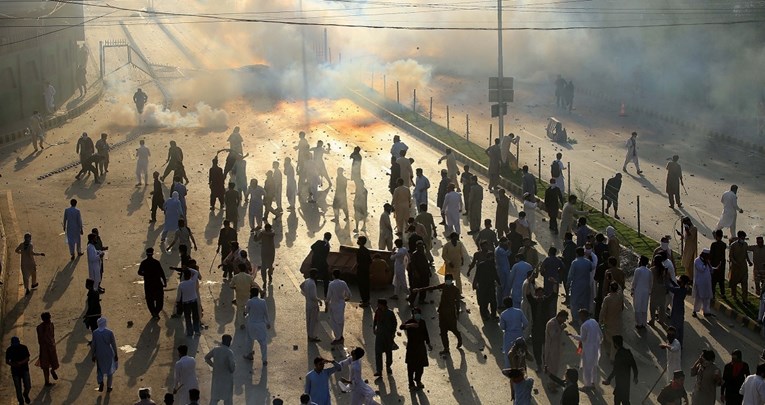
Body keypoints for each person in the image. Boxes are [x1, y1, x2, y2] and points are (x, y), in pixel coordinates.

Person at [411, 273, 462, 356]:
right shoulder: (444, 286)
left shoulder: (456, 290)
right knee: (443, 332)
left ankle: (459, 337)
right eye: (446, 280)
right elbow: (432, 287)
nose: (447, 281)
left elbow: (458, 303)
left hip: (450, 314)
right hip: (442, 313)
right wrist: (419, 289)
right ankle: (446, 349)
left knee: (453, 329)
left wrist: (458, 313)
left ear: (452, 280)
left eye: (449, 280)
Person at [400, 308, 432, 390]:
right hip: (411, 348)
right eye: (414, 313)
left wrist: (428, 343)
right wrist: (410, 325)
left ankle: (418, 380)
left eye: (417, 313)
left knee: (420, 367)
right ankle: (411, 384)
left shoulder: (422, 322)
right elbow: (401, 327)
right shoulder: (410, 321)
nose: (416, 315)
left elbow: (426, 333)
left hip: (421, 347)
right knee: (410, 367)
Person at [571, 309, 602, 390]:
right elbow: (600, 334)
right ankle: (593, 383)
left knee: (586, 367)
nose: (580, 318)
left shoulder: (584, 326)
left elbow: (582, 338)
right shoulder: (594, 321)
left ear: (583, 316)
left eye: (580, 316)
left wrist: (572, 335)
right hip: (595, 348)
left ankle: (587, 385)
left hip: (588, 349)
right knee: (594, 366)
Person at [603, 335, 638, 403]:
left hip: (620, 381)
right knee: (625, 400)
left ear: (615, 344)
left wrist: (609, 379)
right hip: (626, 381)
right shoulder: (628, 352)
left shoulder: (618, 355)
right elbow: (634, 365)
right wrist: (635, 376)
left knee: (618, 400)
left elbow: (615, 370)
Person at [205, 335, 236, 405]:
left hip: (217, 378)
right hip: (226, 380)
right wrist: (232, 369)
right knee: (228, 400)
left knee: (214, 399)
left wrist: (213, 365)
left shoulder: (216, 349)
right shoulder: (229, 352)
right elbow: (232, 367)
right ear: (229, 342)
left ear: (222, 341)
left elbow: (207, 358)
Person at [497, 297, 528, 368]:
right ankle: (521, 368)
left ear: (505, 305)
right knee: (520, 352)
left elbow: (502, 327)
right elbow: (526, 323)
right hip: (519, 335)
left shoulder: (503, 314)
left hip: (509, 336)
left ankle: (510, 369)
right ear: (512, 302)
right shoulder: (519, 312)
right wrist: (521, 329)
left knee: (508, 354)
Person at [244, 287, 270, 366]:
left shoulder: (250, 301)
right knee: (263, 343)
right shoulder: (263, 302)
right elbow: (266, 313)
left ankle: (249, 354)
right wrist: (268, 323)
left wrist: (244, 312)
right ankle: (264, 360)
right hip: (261, 325)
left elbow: (246, 311)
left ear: (251, 294)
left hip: (251, 324)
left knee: (249, 340)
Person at [137, 248, 166, 319]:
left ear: (146, 254)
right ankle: (156, 312)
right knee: (159, 299)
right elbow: (162, 273)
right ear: (153, 253)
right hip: (157, 283)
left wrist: (146, 274)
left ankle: (153, 313)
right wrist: (164, 282)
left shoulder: (144, 263)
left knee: (150, 299)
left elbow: (139, 272)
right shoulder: (156, 262)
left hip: (148, 284)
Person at [568, 247, 594, 324]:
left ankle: (575, 319)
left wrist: (568, 282)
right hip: (586, 284)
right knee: (585, 302)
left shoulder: (574, 263)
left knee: (574, 302)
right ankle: (584, 319)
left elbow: (571, 275)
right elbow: (591, 268)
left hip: (576, 285)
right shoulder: (588, 262)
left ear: (576, 254)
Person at [91, 317, 117, 392]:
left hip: (99, 354)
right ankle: (109, 387)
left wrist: (93, 355)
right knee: (110, 370)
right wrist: (116, 354)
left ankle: (101, 382)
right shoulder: (109, 332)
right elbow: (113, 344)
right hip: (109, 353)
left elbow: (93, 345)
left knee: (100, 369)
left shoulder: (95, 333)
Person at [599, 282, 624, 362]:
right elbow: (620, 289)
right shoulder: (620, 296)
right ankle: (613, 357)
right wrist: (613, 279)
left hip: (607, 322)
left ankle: (609, 354)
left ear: (610, 289)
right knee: (615, 340)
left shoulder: (607, 299)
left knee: (606, 338)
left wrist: (600, 322)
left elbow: (603, 312)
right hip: (618, 322)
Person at [544, 311, 568, 390]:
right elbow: (553, 335)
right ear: (560, 316)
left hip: (557, 348)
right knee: (551, 367)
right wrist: (561, 328)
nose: (564, 321)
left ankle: (554, 382)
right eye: (564, 318)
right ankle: (550, 384)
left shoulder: (557, 323)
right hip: (551, 349)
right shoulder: (552, 323)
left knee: (556, 366)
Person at [373, 299, 397, 377]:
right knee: (378, 353)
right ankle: (379, 370)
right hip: (379, 335)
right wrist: (374, 328)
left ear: (382, 305)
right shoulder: (377, 311)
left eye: (378, 304)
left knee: (388, 352)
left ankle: (388, 366)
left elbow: (394, 323)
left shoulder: (390, 313)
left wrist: (393, 333)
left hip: (388, 335)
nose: (377, 305)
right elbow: (375, 320)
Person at [326, 270, 351, 344]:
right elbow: (349, 295)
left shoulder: (331, 284)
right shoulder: (343, 283)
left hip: (334, 304)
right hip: (341, 304)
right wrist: (344, 299)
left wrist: (326, 305)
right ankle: (340, 335)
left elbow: (328, 297)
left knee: (334, 322)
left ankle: (337, 338)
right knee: (340, 321)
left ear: (333, 275)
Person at [472, 252, 499, 320]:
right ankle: (487, 315)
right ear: (488, 257)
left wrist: (499, 282)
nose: (492, 258)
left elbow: (495, 275)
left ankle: (491, 315)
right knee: (486, 302)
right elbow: (477, 275)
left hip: (488, 286)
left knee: (490, 302)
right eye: (491, 257)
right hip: (484, 286)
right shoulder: (482, 265)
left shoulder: (491, 265)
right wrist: (475, 283)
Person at [35, 312, 59, 386]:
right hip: (44, 349)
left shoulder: (51, 325)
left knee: (55, 363)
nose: (48, 320)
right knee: (45, 366)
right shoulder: (39, 328)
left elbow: (52, 335)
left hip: (51, 347)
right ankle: (47, 381)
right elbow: (41, 339)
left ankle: (52, 370)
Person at [230, 264, 256, 329]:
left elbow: (231, 285)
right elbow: (253, 284)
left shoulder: (235, 277)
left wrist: (235, 287)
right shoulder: (249, 277)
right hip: (247, 295)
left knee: (239, 310)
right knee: (248, 308)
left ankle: (241, 324)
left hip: (239, 296)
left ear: (239, 269)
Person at [6, 336, 31, 404]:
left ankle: (25, 394)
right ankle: (21, 401)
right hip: (15, 371)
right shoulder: (9, 350)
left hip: (24, 369)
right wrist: (13, 365)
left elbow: (27, 358)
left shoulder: (24, 348)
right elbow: (7, 361)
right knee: (18, 388)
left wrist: (20, 363)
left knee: (28, 386)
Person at [176, 269, 201, 336]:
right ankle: (197, 331)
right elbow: (196, 272)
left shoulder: (181, 284)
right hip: (194, 301)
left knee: (187, 317)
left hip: (185, 303)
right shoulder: (193, 281)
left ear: (184, 276)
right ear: (190, 275)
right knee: (195, 316)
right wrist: (188, 268)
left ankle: (190, 332)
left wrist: (178, 302)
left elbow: (179, 295)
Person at [730, 231, 752, 301]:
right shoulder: (733, 245)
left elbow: (746, 254)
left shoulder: (745, 244)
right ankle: (734, 296)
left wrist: (749, 261)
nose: (743, 239)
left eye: (744, 238)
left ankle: (745, 298)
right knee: (734, 282)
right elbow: (731, 257)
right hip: (735, 267)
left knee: (744, 283)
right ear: (739, 237)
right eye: (742, 238)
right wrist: (735, 263)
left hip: (743, 267)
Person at [666, 276, 690, 344]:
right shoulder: (684, 289)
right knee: (680, 328)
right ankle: (680, 343)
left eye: (679, 280)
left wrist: (665, 279)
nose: (678, 281)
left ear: (682, 283)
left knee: (674, 327)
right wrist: (670, 280)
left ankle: (674, 342)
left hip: (676, 311)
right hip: (680, 310)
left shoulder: (678, 290)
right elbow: (675, 285)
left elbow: (669, 287)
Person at [301, 269, 322, 342]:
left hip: (308, 304)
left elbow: (301, 286)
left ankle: (309, 335)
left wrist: (306, 294)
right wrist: (319, 300)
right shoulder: (312, 284)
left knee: (308, 320)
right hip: (313, 305)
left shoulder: (307, 281)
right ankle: (312, 336)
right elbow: (313, 297)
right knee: (313, 321)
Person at [693, 249, 715, 318]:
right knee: (698, 297)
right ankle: (695, 311)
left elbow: (711, 270)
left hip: (707, 283)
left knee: (707, 297)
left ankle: (706, 311)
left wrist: (710, 266)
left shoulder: (706, 261)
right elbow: (701, 269)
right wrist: (706, 263)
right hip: (700, 282)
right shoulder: (697, 261)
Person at [631, 255, 651, 328]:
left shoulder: (638, 270)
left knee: (637, 307)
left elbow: (634, 281)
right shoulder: (649, 271)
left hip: (638, 291)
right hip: (646, 291)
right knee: (644, 307)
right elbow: (650, 282)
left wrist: (632, 289)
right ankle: (644, 323)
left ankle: (639, 323)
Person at [310, 232, 332, 297]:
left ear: (324, 236)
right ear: (330, 238)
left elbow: (312, 247)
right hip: (322, 264)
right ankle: (326, 294)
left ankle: (313, 293)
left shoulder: (319, 242)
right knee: (326, 279)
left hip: (315, 263)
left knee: (314, 279)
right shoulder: (327, 246)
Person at [356, 236, 372, 307]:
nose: (357, 241)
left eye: (358, 240)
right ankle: (367, 300)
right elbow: (370, 261)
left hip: (361, 270)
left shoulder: (359, 251)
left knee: (361, 286)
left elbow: (358, 261)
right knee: (366, 285)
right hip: (366, 270)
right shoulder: (366, 250)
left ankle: (364, 301)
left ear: (361, 242)